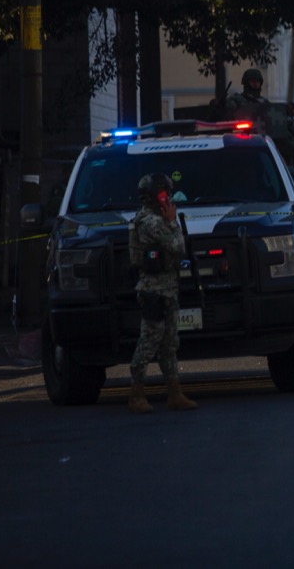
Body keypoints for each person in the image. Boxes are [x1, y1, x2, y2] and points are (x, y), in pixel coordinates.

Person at [126, 173, 199, 413]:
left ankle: (174, 393)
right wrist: (172, 222)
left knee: (169, 344)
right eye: (164, 192)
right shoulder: (151, 222)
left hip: (167, 288)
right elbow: (178, 247)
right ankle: (136, 394)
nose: (168, 197)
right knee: (149, 342)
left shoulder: (154, 219)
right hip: (154, 291)